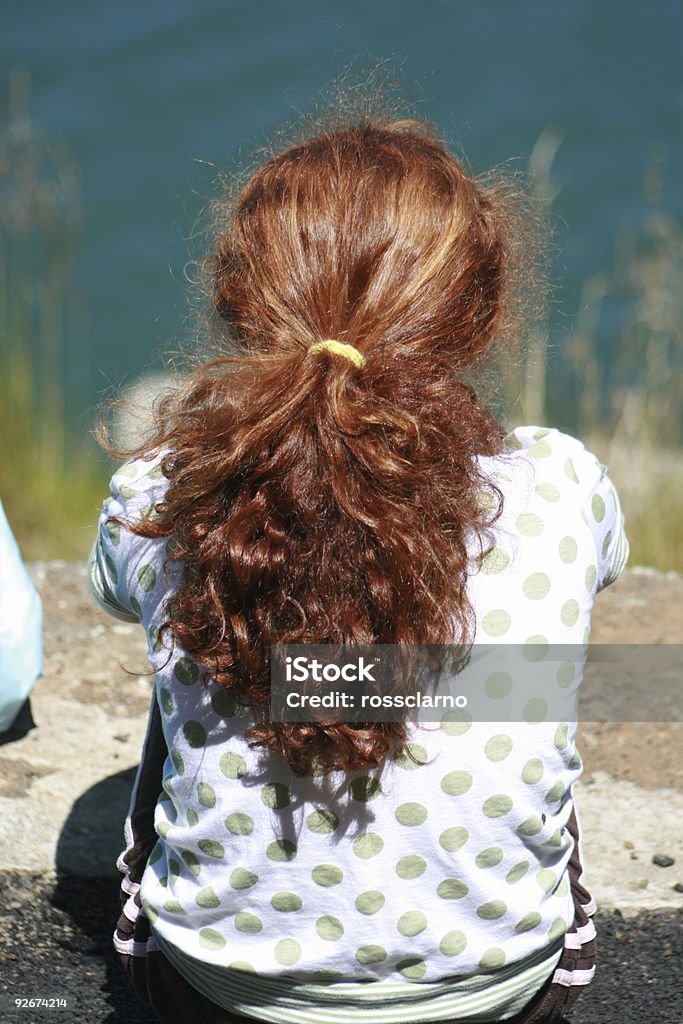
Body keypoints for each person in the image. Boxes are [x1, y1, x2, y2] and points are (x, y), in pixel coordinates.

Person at [88, 111, 629, 1024]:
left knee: (195, 647)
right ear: (480, 317)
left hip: (218, 992)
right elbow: (602, 565)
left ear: (236, 303)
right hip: (497, 992)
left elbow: (111, 589)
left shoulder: (158, 494)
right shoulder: (562, 484)